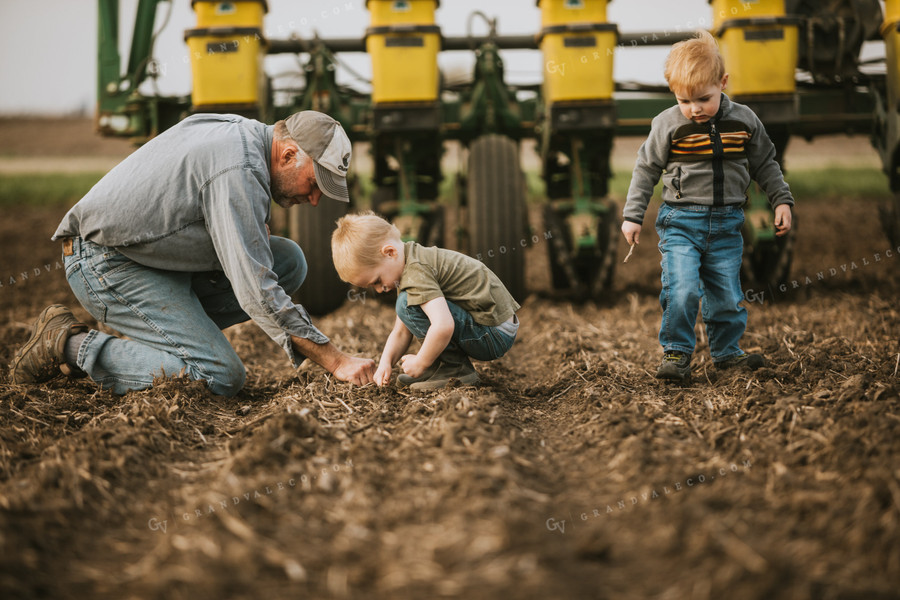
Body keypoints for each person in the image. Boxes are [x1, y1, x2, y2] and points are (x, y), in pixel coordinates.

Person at [10, 111, 376, 395]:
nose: (314, 201)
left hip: (150, 258)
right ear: (289, 154)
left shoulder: (244, 135)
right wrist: (336, 360)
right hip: (103, 263)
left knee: (288, 261)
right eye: (314, 184)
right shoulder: (239, 168)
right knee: (220, 375)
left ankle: (166, 341)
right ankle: (68, 344)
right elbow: (257, 290)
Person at [621, 31, 794, 382]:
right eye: (684, 100)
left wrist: (781, 199)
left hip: (728, 224)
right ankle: (676, 353)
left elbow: (766, 163)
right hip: (681, 222)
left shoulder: (744, 121)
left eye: (703, 98)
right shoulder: (668, 124)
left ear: (723, 82)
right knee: (681, 290)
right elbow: (646, 169)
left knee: (727, 296)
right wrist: (632, 215)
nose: (694, 109)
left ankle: (727, 354)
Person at [331, 212, 520, 390]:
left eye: (377, 281)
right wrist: (386, 363)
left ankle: (455, 370)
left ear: (390, 252)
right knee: (405, 305)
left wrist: (421, 361)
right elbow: (401, 331)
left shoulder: (416, 272)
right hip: (492, 327)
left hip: (493, 334)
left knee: (405, 304)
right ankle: (439, 366)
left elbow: (443, 325)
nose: (380, 290)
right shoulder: (410, 262)